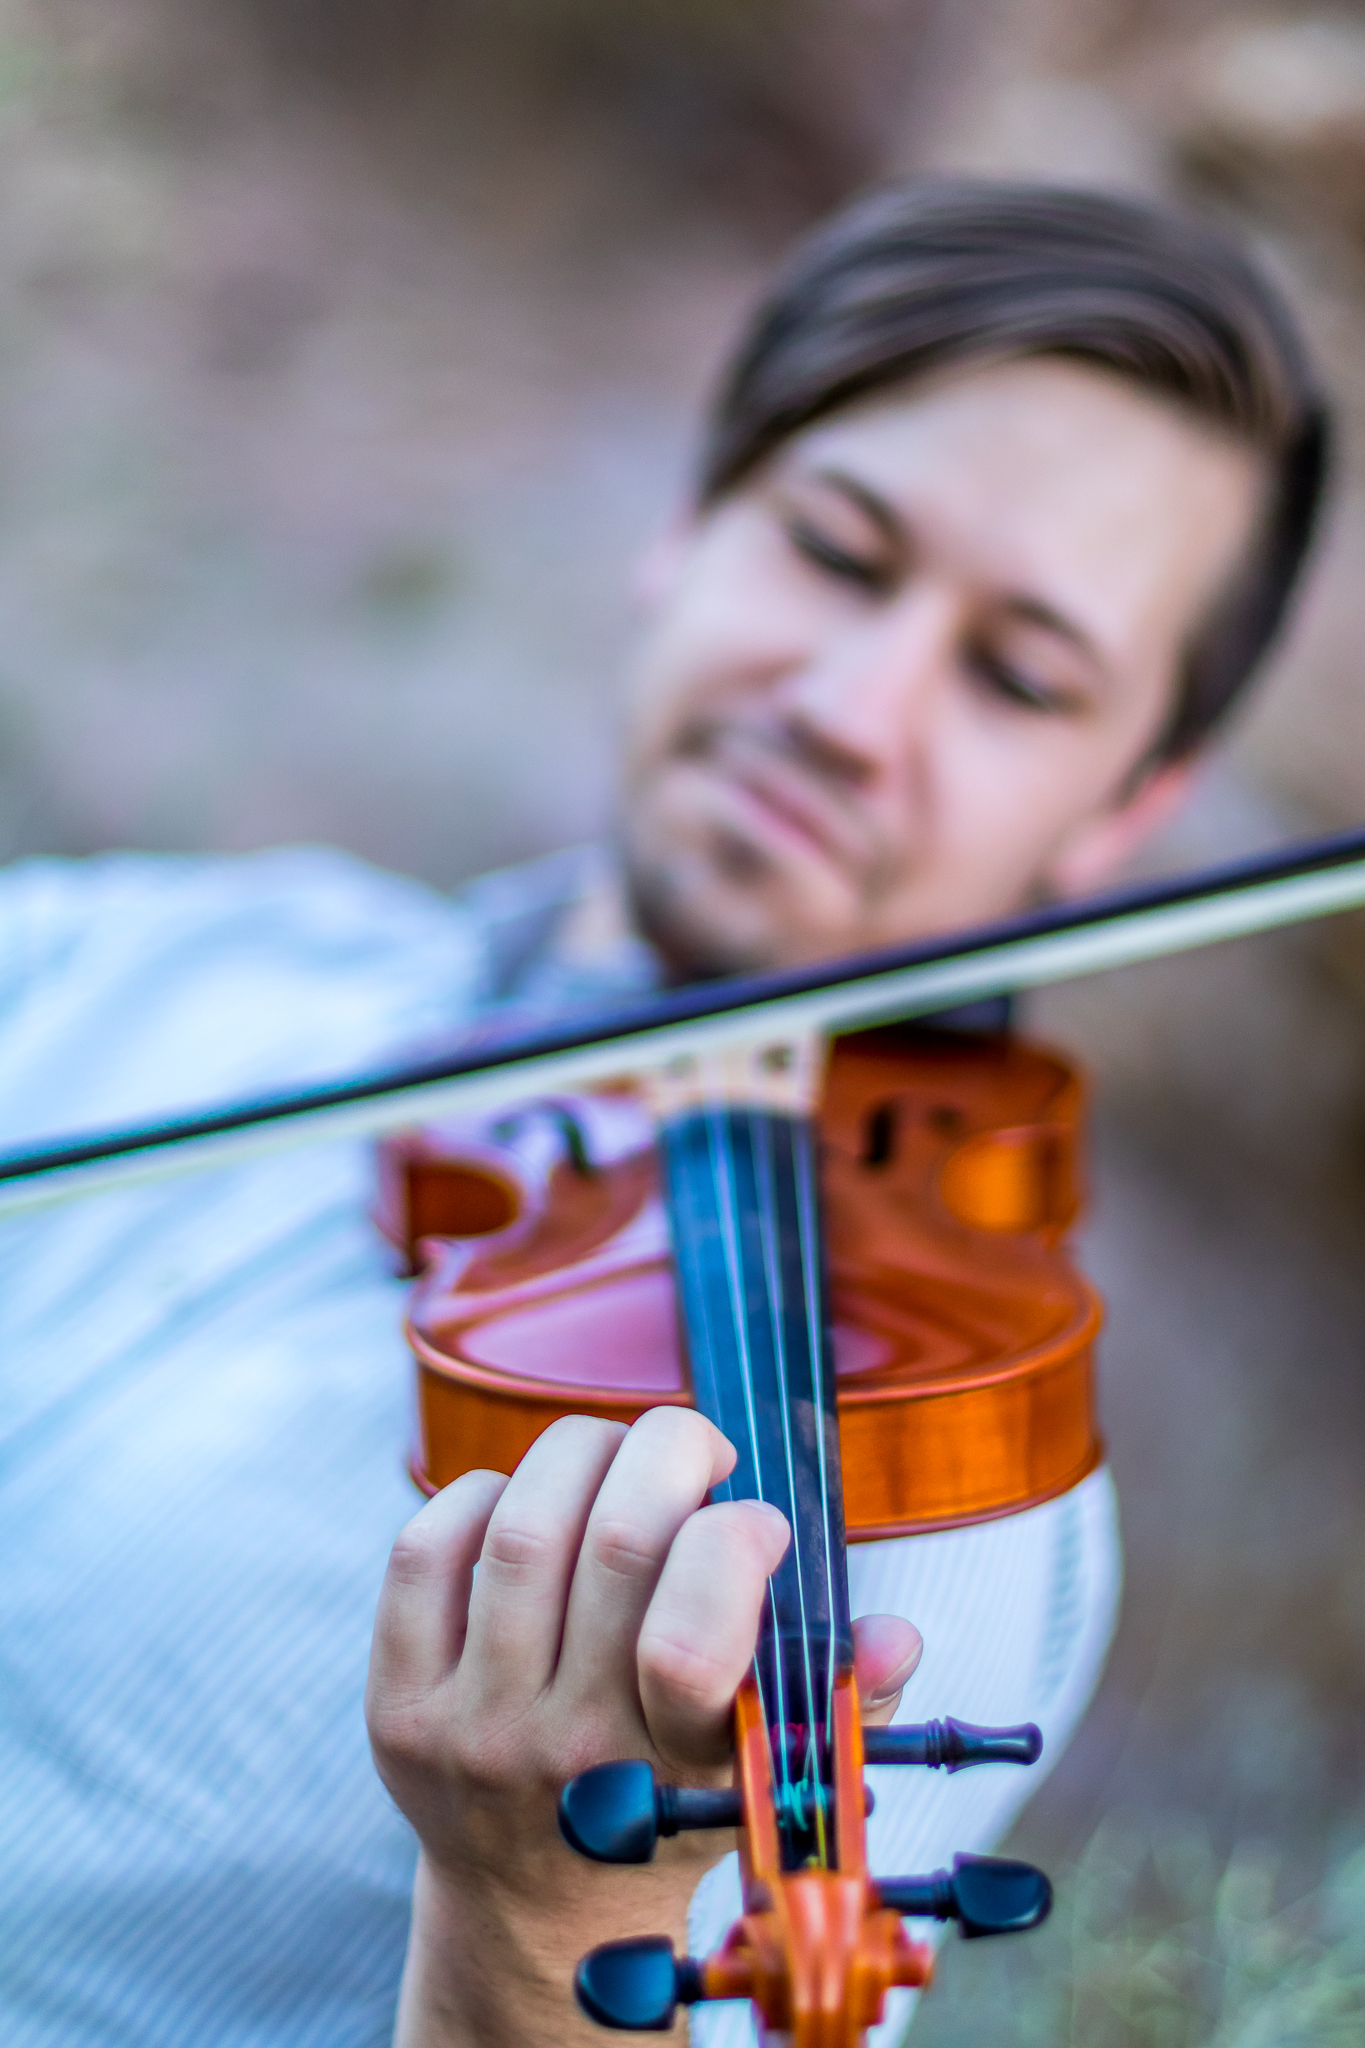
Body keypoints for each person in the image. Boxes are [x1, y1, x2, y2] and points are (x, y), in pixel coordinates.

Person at [0, 181, 1326, 2048]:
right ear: (694, 526)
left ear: (1119, 817)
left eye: (1018, 678)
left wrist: (530, 1925)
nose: (858, 710)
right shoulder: (175, 964)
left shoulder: (926, 1468)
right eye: (840, 554)